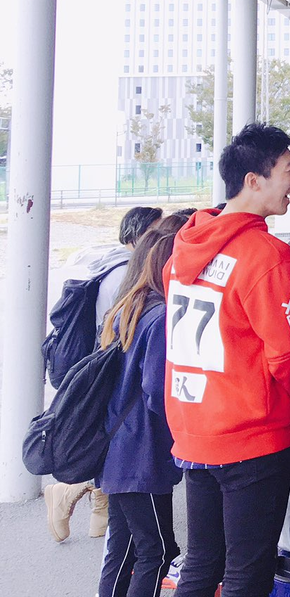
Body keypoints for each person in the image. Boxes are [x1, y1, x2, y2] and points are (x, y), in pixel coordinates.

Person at [167, 122, 290, 597]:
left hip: (195, 431)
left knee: (201, 562)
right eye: (289, 170)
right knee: (247, 574)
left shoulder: (185, 246)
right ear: (254, 180)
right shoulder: (267, 256)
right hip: (252, 438)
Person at [44, 202, 165, 542]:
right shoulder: (125, 274)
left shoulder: (111, 266)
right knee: (114, 444)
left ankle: (97, 509)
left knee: (112, 446)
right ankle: (68, 490)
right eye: (156, 231)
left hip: (103, 367)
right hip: (111, 370)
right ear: (138, 236)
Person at [93, 215, 186, 597]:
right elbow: (157, 391)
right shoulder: (160, 316)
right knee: (158, 551)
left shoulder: (126, 307)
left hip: (116, 448)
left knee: (123, 548)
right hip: (141, 454)